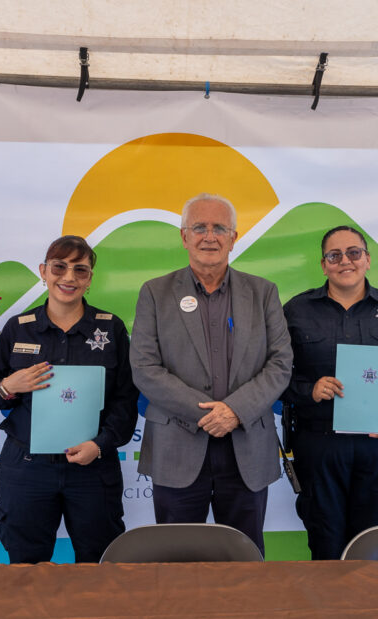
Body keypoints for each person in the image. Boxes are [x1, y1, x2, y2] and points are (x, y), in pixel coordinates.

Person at [130, 193, 292, 555]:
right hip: (178, 446)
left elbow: (280, 364)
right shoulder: (155, 293)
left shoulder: (263, 292)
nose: (209, 236)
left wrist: (234, 411)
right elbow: (144, 368)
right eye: (199, 227)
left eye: (220, 228)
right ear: (184, 236)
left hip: (246, 447)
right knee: (175, 559)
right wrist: (209, 414)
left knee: (244, 559)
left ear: (234, 238)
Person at [0, 235, 137, 563]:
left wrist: (101, 444)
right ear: (43, 271)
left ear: (90, 279)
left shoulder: (110, 330)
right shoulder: (19, 329)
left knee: (100, 566)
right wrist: (10, 385)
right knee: (27, 567)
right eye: (59, 267)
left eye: (80, 270)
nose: (68, 277)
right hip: (27, 469)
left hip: (93, 467)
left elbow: (125, 399)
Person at [283, 225, 378, 560]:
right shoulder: (296, 311)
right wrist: (309, 389)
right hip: (321, 449)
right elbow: (274, 374)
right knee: (327, 546)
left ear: (367, 260)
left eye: (353, 253)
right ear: (323, 265)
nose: (344, 261)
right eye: (334, 255)